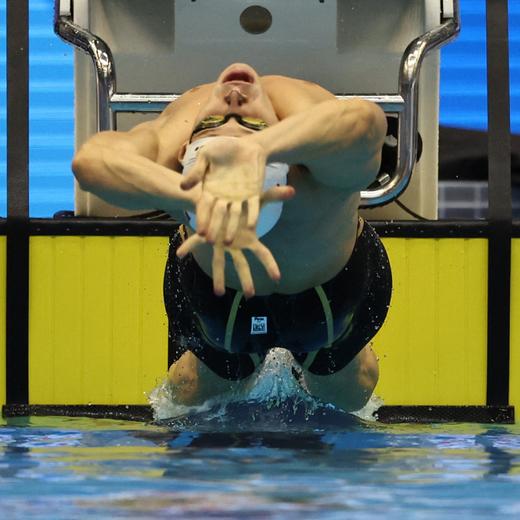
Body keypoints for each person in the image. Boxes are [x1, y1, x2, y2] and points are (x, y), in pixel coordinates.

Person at [72, 63, 392, 412]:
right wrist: (187, 197)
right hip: (220, 297)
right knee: (192, 391)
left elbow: (366, 122)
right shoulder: (178, 135)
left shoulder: (308, 120)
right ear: (183, 155)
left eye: (253, 127)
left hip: (330, 294)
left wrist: (257, 149)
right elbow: (92, 161)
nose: (232, 103)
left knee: (349, 392)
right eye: (211, 126)